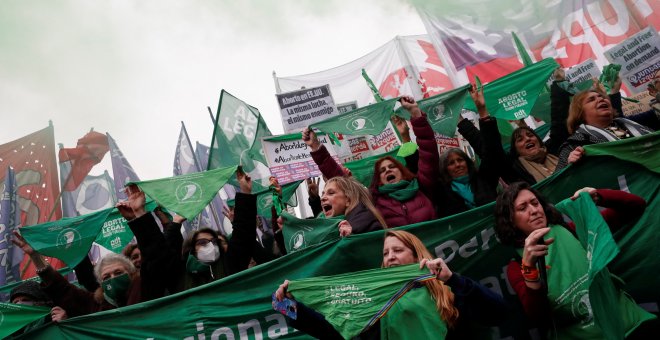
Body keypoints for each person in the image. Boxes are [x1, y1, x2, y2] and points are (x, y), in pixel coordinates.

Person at [274, 229, 508, 339]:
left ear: (417, 256)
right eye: (386, 253)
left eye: (398, 250)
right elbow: (336, 331)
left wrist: (452, 279)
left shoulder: (447, 292)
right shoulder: (376, 304)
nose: (390, 257)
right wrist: (289, 307)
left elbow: (498, 313)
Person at [494, 182, 654, 338]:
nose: (534, 210)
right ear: (511, 221)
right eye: (523, 208)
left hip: (632, 325)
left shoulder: (573, 230)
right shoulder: (517, 265)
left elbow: (636, 206)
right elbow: (539, 317)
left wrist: (599, 196)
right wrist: (529, 269)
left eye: (535, 203)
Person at [304, 95, 439, 228]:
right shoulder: (374, 200)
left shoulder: (422, 186)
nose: (388, 170)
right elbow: (341, 180)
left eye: (392, 166)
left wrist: (415, 113)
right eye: (382, 170)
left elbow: (429, 152)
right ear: (379, 179)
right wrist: (316, 147)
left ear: (402, 171)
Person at [177, 169, 257, 290]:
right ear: (192, 249)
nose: (211, 246)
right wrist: (173, 224)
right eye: (202, 242)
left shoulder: (230, 264)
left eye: (214, 242)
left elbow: (244, 235)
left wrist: (245, 192)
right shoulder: (182, 275)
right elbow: (159, 255)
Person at [438, 85, 503, 215]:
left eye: (460, 160)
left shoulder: (484, 179)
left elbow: (490, 150)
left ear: (467, 162)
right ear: (444, 169)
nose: (457, 164)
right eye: (451, 163)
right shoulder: (442, 192)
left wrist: (482, 111)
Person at [556, 87, 655, 170]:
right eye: (591, 99)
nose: (601, 99)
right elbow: (560, 184)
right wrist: (569, 166)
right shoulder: (574, 145)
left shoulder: (631, 124)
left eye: (602, 97)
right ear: (580, 112)